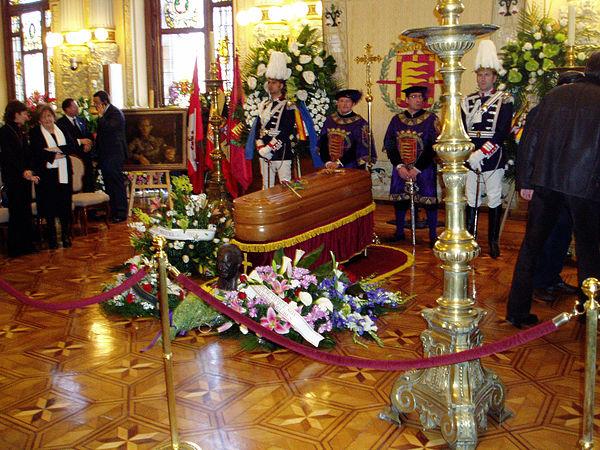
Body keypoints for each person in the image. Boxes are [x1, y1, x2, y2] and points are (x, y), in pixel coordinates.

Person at [506, 52, 600, 328]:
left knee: (531, 248)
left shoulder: (555, 95)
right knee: (590, 252)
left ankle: (517, 311)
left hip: (546, 183)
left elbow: (530, 139)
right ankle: (589, 314)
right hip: (587, 187)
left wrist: (525, 180)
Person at [516, 71, 583, 303]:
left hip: (569, 186)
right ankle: (537, 282)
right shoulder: (540, 111)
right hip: (542, 185)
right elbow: (527, 148)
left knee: (562, 234)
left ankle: (552, 277)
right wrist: (525, 182)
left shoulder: (580, 113)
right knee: (542, 236)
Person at [462, 40, 514, 258]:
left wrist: (482, 153)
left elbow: (502, 132)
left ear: (494, 77)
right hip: (470, 155)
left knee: (493, 198)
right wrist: (468, 154)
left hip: (492, 155)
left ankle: (493, 241)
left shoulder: (505, 100)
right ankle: (470, 237)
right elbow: (464, 130)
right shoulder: (468, 100)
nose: (482, 79)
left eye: (486, 75)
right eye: (479, 75)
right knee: (470, 197)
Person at [384, 85, 440, 247]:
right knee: (400, 199)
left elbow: (433, 145)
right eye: (414, 97)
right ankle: (400, 232)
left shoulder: (431, 119)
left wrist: (417, 168)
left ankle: (433, 236)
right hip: (401, 168)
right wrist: (399, 166)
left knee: (429, 201)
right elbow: (390, 143)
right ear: (406, 100)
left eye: (420, 97)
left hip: (424, 167)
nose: (417, 100)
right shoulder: (397, 120)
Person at [30, 104, 77, 249]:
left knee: (64, 206)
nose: (47, 119)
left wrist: (53, 151)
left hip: (63, 173)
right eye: (44, 117)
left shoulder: (61, 129)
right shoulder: (35, 133)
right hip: (47, 175)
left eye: (49, 116)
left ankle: (65, 236)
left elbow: (71, 146)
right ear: (39, 120)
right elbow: (36, 152)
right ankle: (52, 239)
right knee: (49, 207)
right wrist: (53, 154)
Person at [0, 101, 40, 257]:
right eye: (24, 113)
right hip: (14, 177)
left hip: (24, 176)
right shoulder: (4, 132)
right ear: (16, 114)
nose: (26, 116)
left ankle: (27, 244)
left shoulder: (20, 131)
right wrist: (22, 171)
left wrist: (29, 169)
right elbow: (8, 157)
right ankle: (16, 247)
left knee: (26, 210)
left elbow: (27, 154)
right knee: (17, 212)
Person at [253, 51, 297, 189]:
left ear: (281, 86)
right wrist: (260, 146)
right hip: (264, 151)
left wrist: (269, 148)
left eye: (274, 83)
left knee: (286, 186)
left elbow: (286, 130)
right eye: (269, 82)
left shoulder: (288, 105)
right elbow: (258, 128)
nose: (270, 85)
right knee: (266, 186)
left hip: (280, 150)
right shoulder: (264, 105)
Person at [317, 89, 376, 170]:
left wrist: (339, 162)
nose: (344, 104)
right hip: (330, 166)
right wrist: (328, 162)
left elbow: (359, 148)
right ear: (337, 103)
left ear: (353, 104)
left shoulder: (360, 123)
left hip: (351, 166)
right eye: (341, 101)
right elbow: (323, 142)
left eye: (348, 101)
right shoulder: (330, 120)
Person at [93, 90, 128, 223]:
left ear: (105, 102)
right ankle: (113, 211)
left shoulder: (115, 113)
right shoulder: (107, 113)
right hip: (106, 155)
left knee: (116, 183)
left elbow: (109, 129)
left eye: (97, 103)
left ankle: (120, 212)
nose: (95, 105)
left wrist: (101, 117)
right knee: (109, 184)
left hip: (114, 155)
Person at [56, 98, 95, 192]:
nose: (77, 109)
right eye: (74, 107)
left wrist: (89, 144)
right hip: (74, 155)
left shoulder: (81, 120)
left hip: (86, 156)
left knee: (88, 181)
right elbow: (64, 140)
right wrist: (80, 141)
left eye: (77, 106)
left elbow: (89, 135)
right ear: (67, 109)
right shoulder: (61, 123)